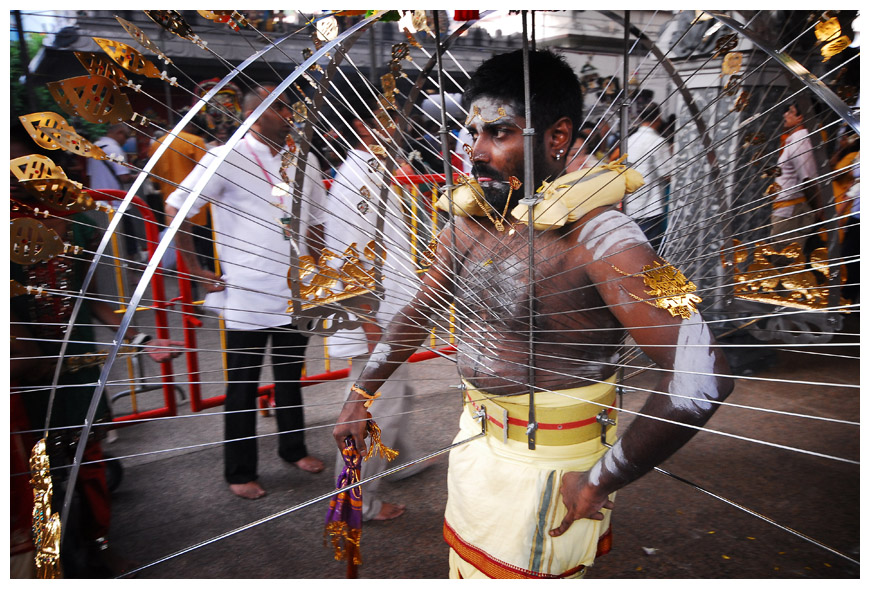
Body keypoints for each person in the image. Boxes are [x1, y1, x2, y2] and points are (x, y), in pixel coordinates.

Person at [332, 49, 733, 579]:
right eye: (472, 133)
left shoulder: (605, 238)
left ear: (557, 136)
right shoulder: (468, 225)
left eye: (498, 133)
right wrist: (361, 394)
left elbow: (703, 373)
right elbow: (419, 309)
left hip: (552, 468)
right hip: (474, 446)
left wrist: (600, 480)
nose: (476, 152)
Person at [10, 125, 182, 577]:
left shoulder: (81, 222)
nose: (16, 178)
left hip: (77, 367)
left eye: (24, 166)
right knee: (33, 471)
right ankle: (47, 560)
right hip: (19, 376)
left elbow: (93, 300)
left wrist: (143, 341)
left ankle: (99, 546)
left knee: (86, 460)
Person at [164, 86, 328, 500]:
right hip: (246, 294)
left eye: (290, 106)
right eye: (280, 107)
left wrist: (321, 273)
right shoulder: (224, 157)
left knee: (290, 377)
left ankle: (294, 449)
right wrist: (196, 269)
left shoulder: (305, 160)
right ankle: (239, 472)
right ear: (254, 115)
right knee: (242, 385)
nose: (290, 114)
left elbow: (316, 223)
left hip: (295, 291)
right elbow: (176, 207)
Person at [324, 91, 428, 521]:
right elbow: (348, 257)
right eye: (387, 119)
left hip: (388, 313)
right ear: (362, 127)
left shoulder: (374, 169)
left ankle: (402, 461)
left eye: (397, 118)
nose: (397, 127)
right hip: (375, 317)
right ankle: (356, 503)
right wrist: (369, 324)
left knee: (398, 392)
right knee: (374, 404)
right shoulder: (359, 179)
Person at [147, 115, 214, 271]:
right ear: (194, 126)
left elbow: (155, 179)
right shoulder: (195, 141)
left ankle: (191, 283)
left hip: (172, 209)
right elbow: (209, 175)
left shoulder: (157, 144)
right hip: (200, 210)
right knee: (209, 256)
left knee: (186, 258)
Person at [624, 102, 674, 250]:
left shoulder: (630, 140)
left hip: (631, 205)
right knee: (651, 252)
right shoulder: (657, 142)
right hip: (650, 207)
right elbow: (668, 174)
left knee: (635, 249)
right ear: (658, 118)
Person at [771, 102, 819, 249]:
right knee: (779, 256)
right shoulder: (795, 140)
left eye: (791, 112)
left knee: (784, 258)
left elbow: (808, 180)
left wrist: (818, 211)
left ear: (800, 117)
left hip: (792, 214)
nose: (785, 114)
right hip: (787, 211)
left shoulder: (800, 141)